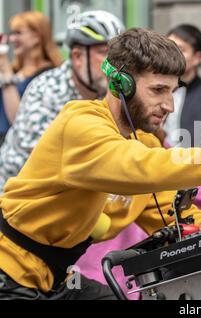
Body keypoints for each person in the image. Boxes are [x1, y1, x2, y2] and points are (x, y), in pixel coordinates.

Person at [0, 27, 201, 300]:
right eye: (158, 90)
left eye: (173, 91)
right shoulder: (81, 123)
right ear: (120, 83)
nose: (169, 105)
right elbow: (144, 167)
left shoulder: (142, 141)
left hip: (54, 278)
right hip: (9, 274)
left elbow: (164, 208)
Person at [0, 10, 123, 192]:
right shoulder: (47, 89)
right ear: (77, 57)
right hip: (17, 199)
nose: (113, 64)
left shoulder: (108, 91)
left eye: (117, 56)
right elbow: (45, 160)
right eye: (104, 52)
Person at [0, 11, 61, 144]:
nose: (12, 39)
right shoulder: (15, 71)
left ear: (37, 37)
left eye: (18, 33)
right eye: (12, 33)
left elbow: (19, 121)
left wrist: (5, 71)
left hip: (18, 153)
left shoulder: (48, 76)